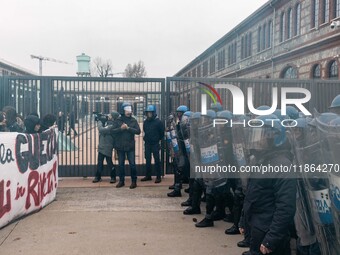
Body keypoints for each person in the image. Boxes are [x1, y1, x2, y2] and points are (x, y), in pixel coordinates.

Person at [241, 114, 297, 255]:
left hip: (270, 236)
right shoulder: (260, 160)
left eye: (261, 135)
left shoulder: (283, 165)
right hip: (258, 230)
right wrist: (243, 221)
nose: (257, 139)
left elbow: (285, 208)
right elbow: (251, 195)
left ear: (275, 137)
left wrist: (270, 240)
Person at [112, 103, 141, 189]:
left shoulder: (133, 120)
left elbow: (138, 131)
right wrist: (121, 129)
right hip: (120, 146)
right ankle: (121, 181)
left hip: (130, 146)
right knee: (121, 164)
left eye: (130, 110)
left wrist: (128, 128)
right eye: (127, 110)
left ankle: (134, 181)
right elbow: (113, 131)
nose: (129, 111)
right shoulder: (118, 120)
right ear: (123, 111)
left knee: (132, 164)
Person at [93, 111, 120, 183]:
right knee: (100, 162)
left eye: (110, 115)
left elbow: (102, 130)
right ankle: (98, 176)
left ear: (113, 117)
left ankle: (113, 176)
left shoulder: (113, 125)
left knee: (109, 162)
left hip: (108, 146)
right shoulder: (107, 123)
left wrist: (99, 121)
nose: (108, 115)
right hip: (102, 145)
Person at [141, 105, 164, 183]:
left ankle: (158, 176)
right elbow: (144, 130)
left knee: (157, 160)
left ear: (153, 113)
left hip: (155, 144)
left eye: (150, 113)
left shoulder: (158, 122)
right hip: (147, 143)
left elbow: (162, 133)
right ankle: (148, 176)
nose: (149, 114)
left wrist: (157, 140)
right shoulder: (145, 122)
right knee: (147, 160)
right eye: (148, 113)